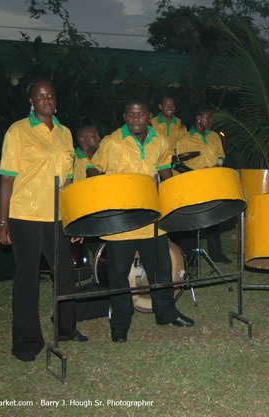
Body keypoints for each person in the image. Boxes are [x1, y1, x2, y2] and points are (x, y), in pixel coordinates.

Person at [88, 97, 194, 343]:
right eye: (131, 115)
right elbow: (93, 168)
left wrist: (176, 196)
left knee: (161, 269)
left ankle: (165, 312)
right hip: (122, 219)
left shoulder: (160, 140)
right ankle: (120, 323)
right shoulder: (112, 141)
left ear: (149, 116)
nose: (136, 119)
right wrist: (102, 189)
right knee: (118, 273)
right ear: (125, 117)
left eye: (140, 115)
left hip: (151, 216)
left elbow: (165, 170)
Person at [0, 79, 87, 362]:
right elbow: (7, 177)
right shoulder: (18, 131)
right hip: (25, 215)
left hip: (57, 215)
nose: (46, 98)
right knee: (28, 278)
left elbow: (69, 179)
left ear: (55, 100)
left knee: (65, 272)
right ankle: (26, 341)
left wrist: (73, 217)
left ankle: (66, 329)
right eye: (40, 95)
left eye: (50, 94)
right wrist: (2, 222)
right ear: (31, 101)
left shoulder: (65, 133)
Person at [173, 106, 230, 263]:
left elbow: (221, 156)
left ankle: (216, 253)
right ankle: (189, 257)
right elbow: (177, 164)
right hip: (194, 182)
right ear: (199, 119)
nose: (211, 122)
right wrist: (194, 173)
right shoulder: (185, 140)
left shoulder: (214, 136)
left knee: (213, 217)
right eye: (208, 118)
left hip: (212, 180)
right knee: (193, 219)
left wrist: (217, 166)